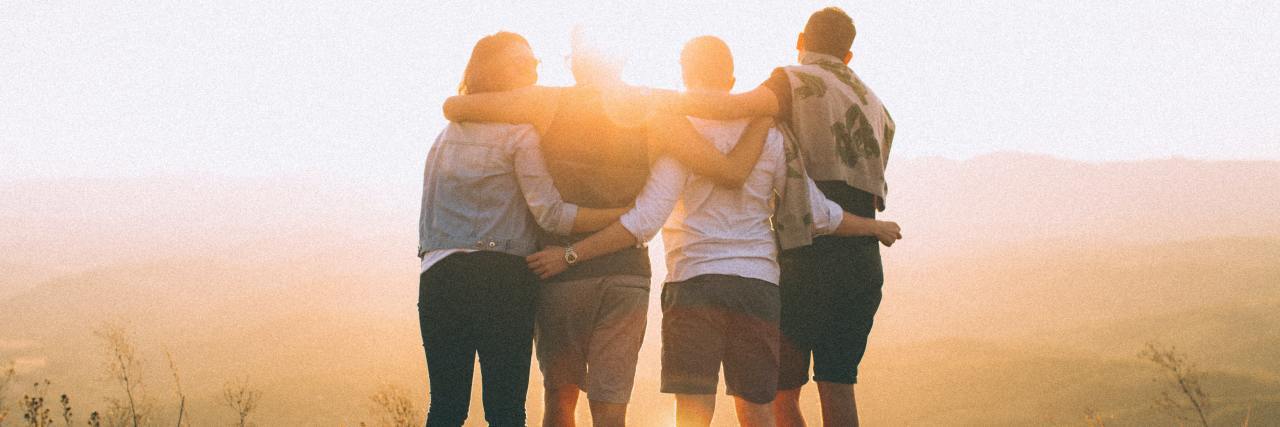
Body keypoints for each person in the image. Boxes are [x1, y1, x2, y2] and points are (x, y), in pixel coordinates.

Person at [526, 36, 901, 427]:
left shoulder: (679, 137)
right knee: (757, 411)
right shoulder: (770, 135)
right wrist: (872, 226)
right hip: (757, 286)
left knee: (692, 413)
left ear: (684, 75)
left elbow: (645, 220)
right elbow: (817, 213)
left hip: (693, 283)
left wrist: (572, 253)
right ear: (732, 79)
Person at [442, 30, 772, 427]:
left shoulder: (547, 102)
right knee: (611, 409)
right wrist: (764, 115)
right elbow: (729, 171)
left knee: (559, 403)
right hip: (625, 276)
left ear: (574, 62)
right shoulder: (653, 109)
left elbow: (456, 106)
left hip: (559, 274)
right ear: (621, 61)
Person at [660, 8, 898, 427]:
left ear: (801, 39)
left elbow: (731, 107)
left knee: (779, 397)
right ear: (849, 55)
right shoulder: (876, 104)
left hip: (806, 256)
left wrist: (652, 101)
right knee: (839, 385)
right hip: (861, 258)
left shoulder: (794, 80)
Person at [417, 31, 626, 427]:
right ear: (497, 73)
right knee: (506, 409)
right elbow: (551, 215)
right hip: (501, 278)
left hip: (438, 278)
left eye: (535, 62)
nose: (533, 69)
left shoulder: (443, 137)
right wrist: (617, 215)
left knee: (445, 407)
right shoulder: (520, 134)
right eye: (522, 63)